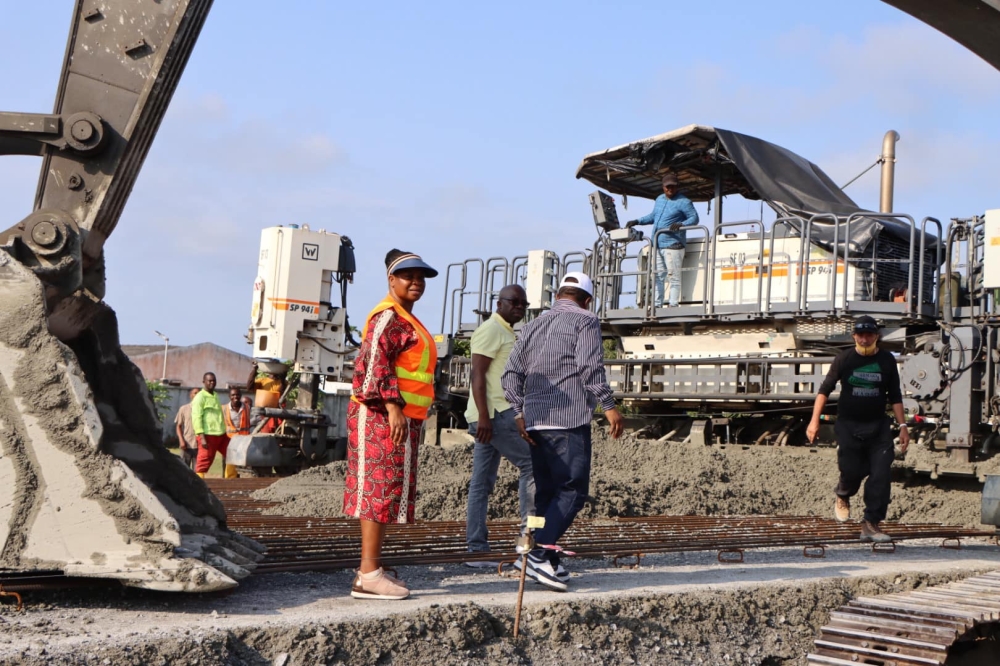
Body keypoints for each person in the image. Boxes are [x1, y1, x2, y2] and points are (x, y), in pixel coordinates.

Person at [501, 271, 625, 591]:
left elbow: (511, 374)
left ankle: (537, 556)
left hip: (535, 423)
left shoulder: (532, 325)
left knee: (545, 496)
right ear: (586, 300)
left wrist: (518, 412)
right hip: (567, 421)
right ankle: (539, 553)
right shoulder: (586, 319)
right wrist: (609, 406)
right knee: (572, 490)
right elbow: (589, 367)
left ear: (559, 295)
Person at [343, 249, 439, 600]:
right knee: (376, 490)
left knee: (387, 493)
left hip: (398, 417)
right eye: (408, 276)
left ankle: (372, 568)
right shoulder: (387, 316)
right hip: (381, 415)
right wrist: (393, 406)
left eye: (421, 277)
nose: (416, 281)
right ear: (391, 280)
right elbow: (373, 364)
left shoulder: (406, 319)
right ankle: (368, 575)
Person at [806, 315, 910, 544]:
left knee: (881, 473)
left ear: (876, 337)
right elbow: (824, 391)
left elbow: (895, 395)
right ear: (854, 336)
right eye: (860, 335)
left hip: (879, 427)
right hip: (849, 425)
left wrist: (903, 426)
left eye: (869, 335)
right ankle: (843, 495)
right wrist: (814, 421)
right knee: (851, 471)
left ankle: (870, 524)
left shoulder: (887, 361)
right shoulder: (844, 359)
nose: (864, 339)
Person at [464, 284, 535, 568]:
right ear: (499, 303)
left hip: (489, 415)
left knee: (481, 483)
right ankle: (528, 540)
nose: (519, 307)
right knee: (532, 464)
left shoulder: (505, 330)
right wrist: (484, 416)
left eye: (523, 304)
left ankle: (476, 549)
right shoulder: (491, 329)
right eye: (513, 302)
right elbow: (477, 375)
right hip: (493, 414)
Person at [625, 173, 699, 308]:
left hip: (673, 244)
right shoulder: (659, 199)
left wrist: (682, 225)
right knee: (658, 276)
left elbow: (694, 218)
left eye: (673, 187)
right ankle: (657, 305)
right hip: (657, 245)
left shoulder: (684, 201)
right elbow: (653, 216)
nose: (670, 189)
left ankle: (673, 305)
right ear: (663, 187)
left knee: (673, 276)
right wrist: (637, 221)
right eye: (667, 187)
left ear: (678, 187)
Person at [191, 372, 237, 479]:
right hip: (207, 435)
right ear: (204, 382)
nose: (212, 382)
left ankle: (231, 479)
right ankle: (198, 482)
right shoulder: (200, 397)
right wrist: (201, 437)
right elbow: (196, 417)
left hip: (220, 433)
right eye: (209, 380)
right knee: (204, 460)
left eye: (214, 380)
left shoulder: (215, 395)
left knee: (232, 454)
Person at [174, 387, 200, 469]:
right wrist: (181, 440)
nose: (197, 395)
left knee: (198, 472)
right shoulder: (184, 409)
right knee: (184, 470)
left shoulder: (204, 409)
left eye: (199, 393)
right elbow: (178, 426)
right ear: (191, 395)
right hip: (186, 444)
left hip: (199, 445)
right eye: (195, 393)